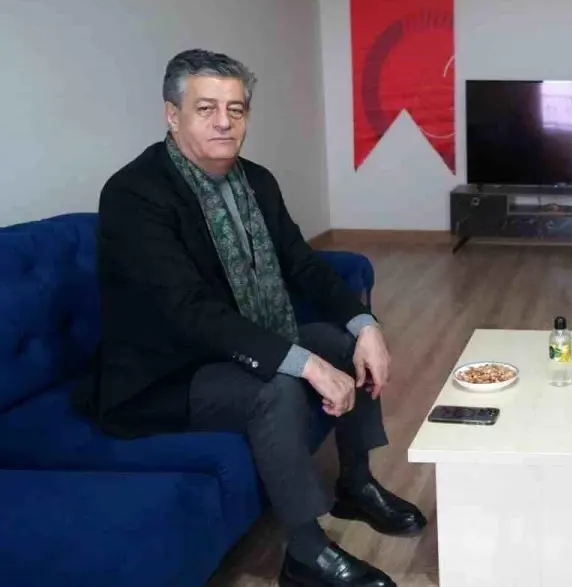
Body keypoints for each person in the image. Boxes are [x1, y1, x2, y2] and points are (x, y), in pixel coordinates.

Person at [73, 49, 424, 587]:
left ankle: (355, 485)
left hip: (239, 340)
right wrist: (304, 365)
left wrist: (366, 325)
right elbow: (187, 310)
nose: (223, 122)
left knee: (339, 342)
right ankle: (306, 555)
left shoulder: (254, 180)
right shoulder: (134, 194)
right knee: (275, 388)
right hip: (168, 373)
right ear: (172, 115)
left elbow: (303, 264)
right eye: (206, 108)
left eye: (235, 109)